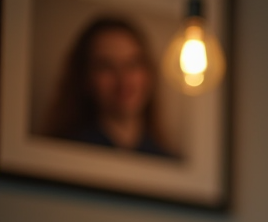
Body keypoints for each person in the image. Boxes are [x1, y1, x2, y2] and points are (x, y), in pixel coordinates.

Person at [43, 17, 175, 157]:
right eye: (106, 66)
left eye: (132, 64)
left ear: (148, 73)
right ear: (85, 78)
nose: (123, 80)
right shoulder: (61, 152)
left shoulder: (166, 161)